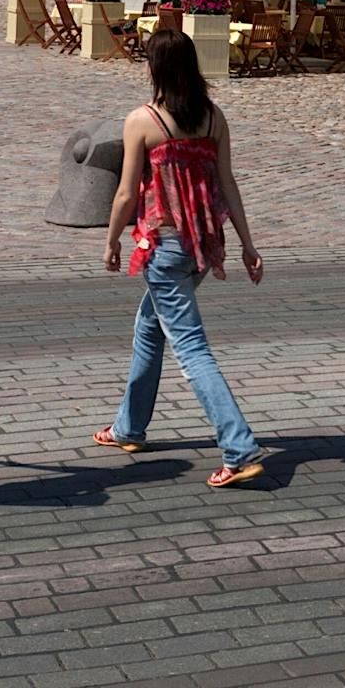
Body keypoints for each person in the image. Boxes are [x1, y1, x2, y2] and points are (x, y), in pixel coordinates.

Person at [95, 28, 266, 488]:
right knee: (150, 327)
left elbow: (127, 192)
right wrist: (247, 244)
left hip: (165, 245)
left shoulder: (143, 120)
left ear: (155, 69)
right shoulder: (213, 117)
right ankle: (128, 428)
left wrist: (112, 241)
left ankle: (238, 446)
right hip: (199, 247)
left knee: (191, 348)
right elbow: (228, 184)